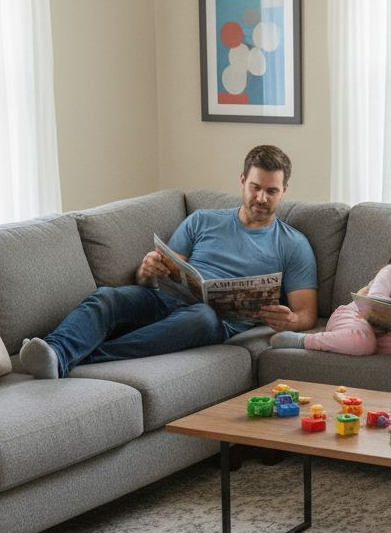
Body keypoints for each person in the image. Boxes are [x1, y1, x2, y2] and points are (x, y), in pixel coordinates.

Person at [20, 145, 318, 378]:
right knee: (106, 297)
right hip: (166, 300)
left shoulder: (293, 244)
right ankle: (56, 352)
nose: (262, 198)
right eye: (256, 187)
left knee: (202, 316)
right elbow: (164, 272)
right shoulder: (202, 220)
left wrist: (291, 321)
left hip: (213, 322)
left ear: (284, 191)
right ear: (242, 181)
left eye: (271, 191)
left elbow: (307, 313)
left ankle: (83, 358)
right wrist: (147, 271)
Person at [268, 217, 391, 355]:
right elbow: (375, 299)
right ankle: (304, 341)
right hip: (355, 317)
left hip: (383, 334)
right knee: (363, 341)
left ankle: (358, 346)